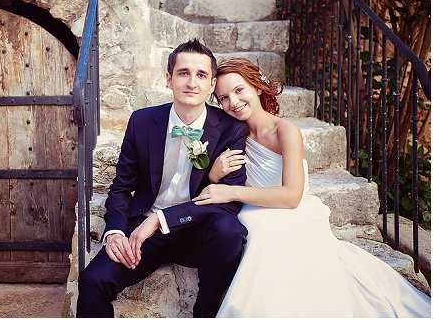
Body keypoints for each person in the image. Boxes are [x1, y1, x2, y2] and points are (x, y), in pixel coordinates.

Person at [193, 57, 431, 317]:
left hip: (291, 208)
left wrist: (231, 191)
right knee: (247, 226)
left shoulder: (285, 131)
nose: (233, 102)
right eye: (224, 97)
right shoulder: (231, 133)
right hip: (252, 207)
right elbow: (204, 181)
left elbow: (292, 196)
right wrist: (214, 175)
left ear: (257, 87)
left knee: (266, 233)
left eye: (239, 90)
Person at [76, 39, 249, 317]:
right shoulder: (142, 121)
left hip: (197, 231)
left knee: (229, 230)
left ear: (212, 84)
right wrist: (115, 231)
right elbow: (121, 186)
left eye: (201, 75)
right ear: (169, 79)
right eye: (183, 73)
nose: (192, 82)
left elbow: (228, 201)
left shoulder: (231, 129)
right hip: (144, 233)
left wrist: (162, 219)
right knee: (92, 281)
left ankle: (205, 313)